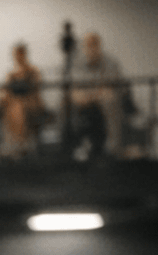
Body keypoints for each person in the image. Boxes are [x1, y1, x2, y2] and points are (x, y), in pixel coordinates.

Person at [69, 32, 128, 160]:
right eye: (88, 44)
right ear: (83, 46)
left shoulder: (111, 62)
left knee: (110, 98)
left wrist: (94, 93)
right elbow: (75, 88)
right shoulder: (77, 63)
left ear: (100, 45)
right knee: (69, 100)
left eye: (94, 44)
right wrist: (93, 93)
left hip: (104, 97)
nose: (92, 48)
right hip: (85, 97)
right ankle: (74, 148)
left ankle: (114, 147)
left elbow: (112, 86)